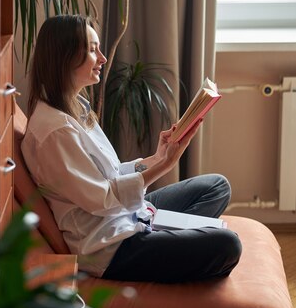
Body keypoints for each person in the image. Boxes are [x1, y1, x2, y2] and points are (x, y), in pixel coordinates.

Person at [21, 14, 242, 283]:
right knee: (228, 244)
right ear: (64, 57)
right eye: (92, 50)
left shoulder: (74, 108)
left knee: (217, 186)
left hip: (130, 215)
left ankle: (166, 238)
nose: (102, 58)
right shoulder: (55, 132)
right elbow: (101, 199)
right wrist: (164, 166)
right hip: (111, 247)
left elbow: (110, 173)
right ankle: (166, 243)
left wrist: (155, 157)